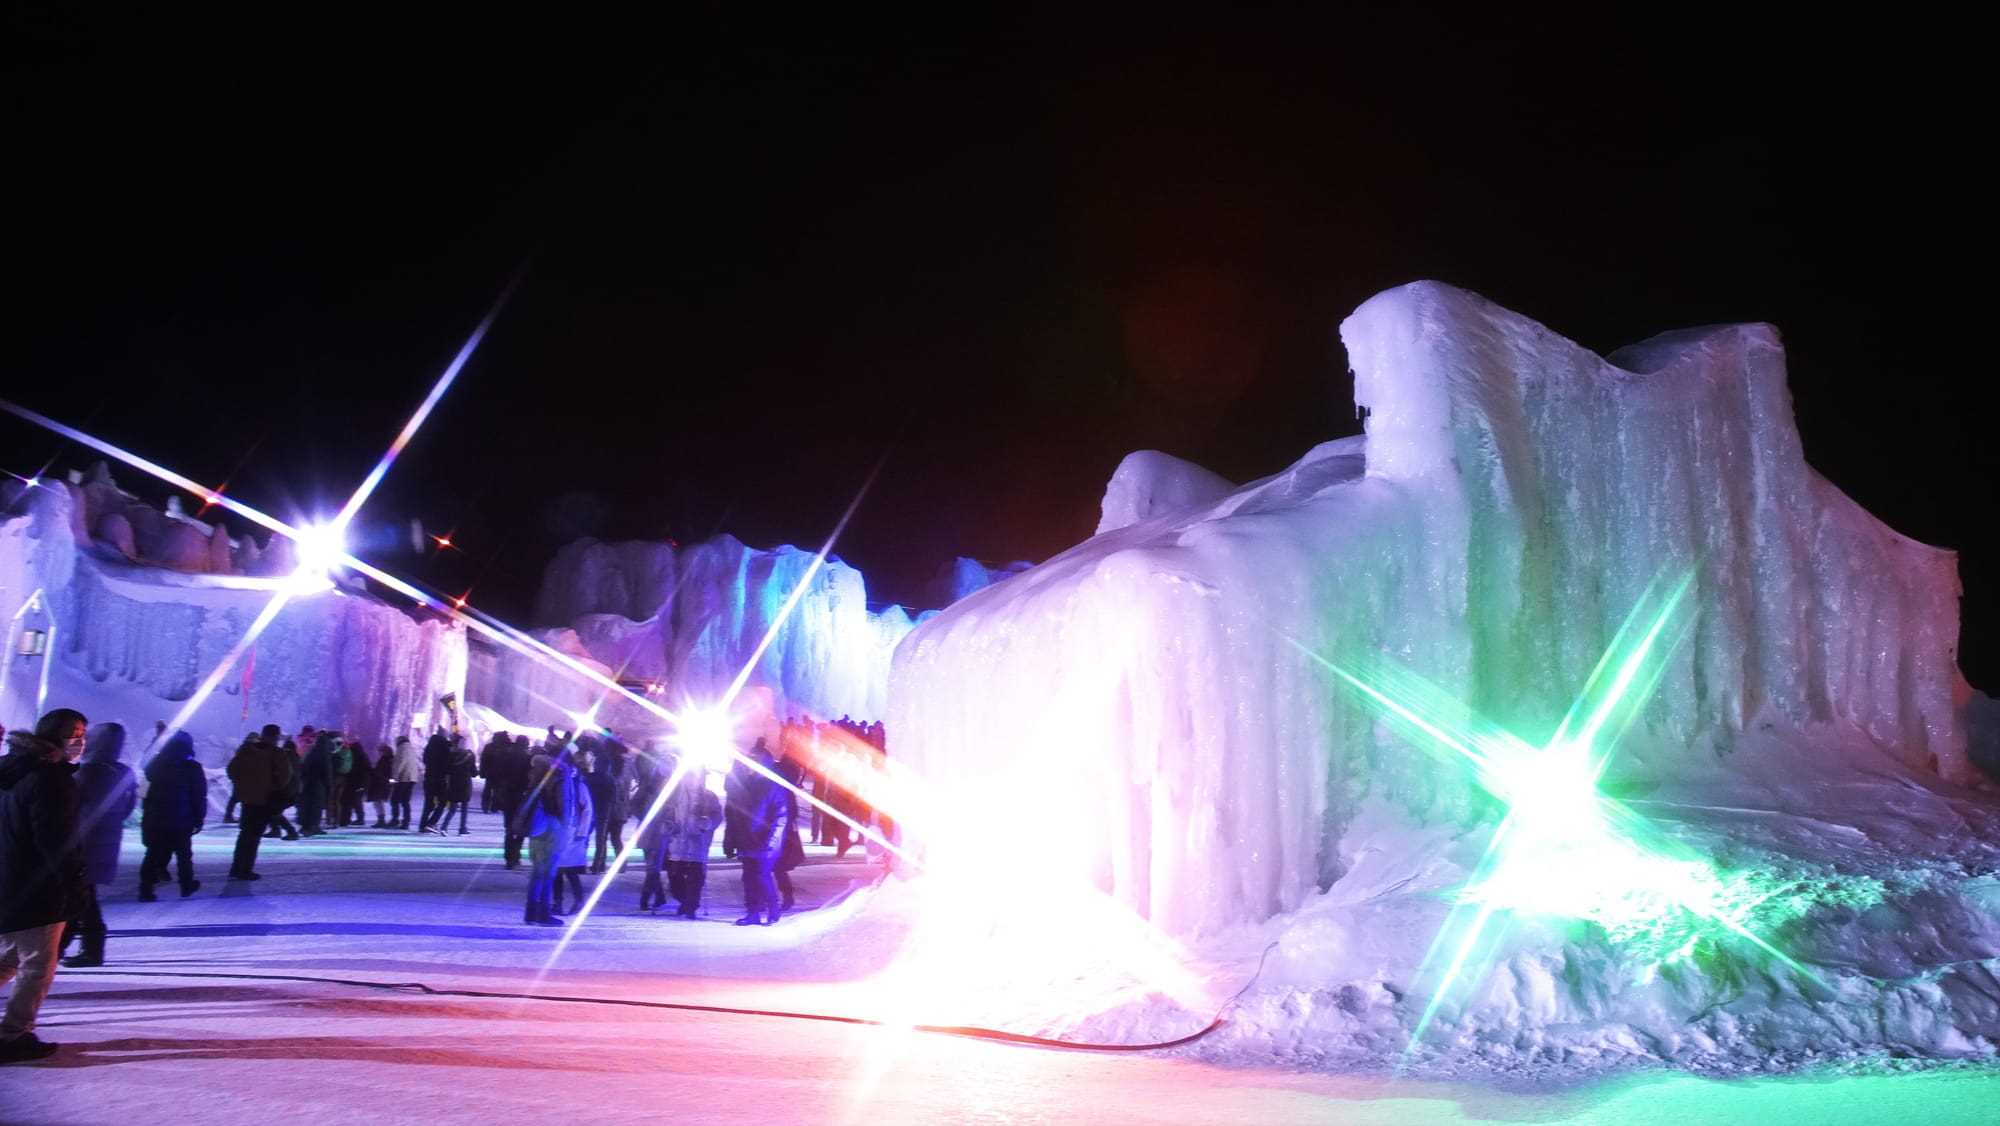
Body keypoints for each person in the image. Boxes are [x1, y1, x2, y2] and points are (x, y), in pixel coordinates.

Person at [0, 708, 88, 1063]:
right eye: (76, 733)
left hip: (7, 880)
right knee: (37, 966)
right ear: (56, 736)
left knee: (7, 958)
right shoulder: (50, 779)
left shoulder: (10, 769)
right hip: (38, 887)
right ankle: (12, 1035)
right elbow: (56, 840)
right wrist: (74, 882)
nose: (81, 742)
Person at [63, 723, 137, 967]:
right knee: (82, 893)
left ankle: (85, 948)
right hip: (106, 842)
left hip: (82, 841)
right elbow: (127, 808)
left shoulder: (86, 772)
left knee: (79, 895)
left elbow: (66, 806)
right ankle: (75, 946)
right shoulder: (123, 772)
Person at [138, 731, 206, 901]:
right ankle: (186, 885)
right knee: (184, 855)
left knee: (152, 854)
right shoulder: (192, 768)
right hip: (182, 818)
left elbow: (145, 792)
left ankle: (145, 889)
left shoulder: (156, 765)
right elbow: (198, 795)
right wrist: (199, 818)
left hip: (156, 817)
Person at [734, 740, 791, 926]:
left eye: (755, 760)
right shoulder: (746, 783)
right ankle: (753, 912)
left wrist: (772, 840)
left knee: (762, 876)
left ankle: (773, 909)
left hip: (765, 841)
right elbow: (737, 813)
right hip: (747, 839)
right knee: (749, 878)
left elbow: (781, 815)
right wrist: (733, 837)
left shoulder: (772, 786)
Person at [226, 724, 293, 879]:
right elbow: (285, 777)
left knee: (244, 835)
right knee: (254, 837)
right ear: (275, 737)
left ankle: (236, 868)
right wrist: (272, 787)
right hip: (265, 800)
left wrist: (243, 786)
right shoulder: (276, 754)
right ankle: (245, 870)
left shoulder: (246, 751)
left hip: (247, 799)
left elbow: (231, 770)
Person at [662, 763, 723, 919]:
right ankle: (686, 902)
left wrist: (708, 823)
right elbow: (667, 815)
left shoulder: (709, 797)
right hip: (678, 846)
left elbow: (717, 816)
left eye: (697, 776)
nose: (693, 779)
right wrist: (669, 825)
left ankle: (691, 906)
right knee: (675, 881)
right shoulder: (675, 796)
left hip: (698, 845)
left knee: (696, 880)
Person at [516, 754, 563, 926]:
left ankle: (531, 913)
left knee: (537, 874)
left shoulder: (532, 783)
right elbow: (561, 809)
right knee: (547, 875)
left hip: (535, 832)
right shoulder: (552, 784)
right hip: (550, 832)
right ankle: (544, 913)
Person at [552, 747, 595, 916]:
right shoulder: (560, 781)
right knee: (558, 869)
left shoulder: (578, 784)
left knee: (566, 869)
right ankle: (559, 902)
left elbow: (587, 809)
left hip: (572, 832)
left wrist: (582, 832)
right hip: (559, 831)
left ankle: (576, 900)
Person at [771, 754, 807, 914]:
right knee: (777, 867)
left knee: (775, 866)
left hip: (779, 829)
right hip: (783, 829)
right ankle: (784, 897)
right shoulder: (789, 786)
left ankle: (782, 897)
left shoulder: (781, 784)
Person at [298, 732, 335, 836]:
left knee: (307, 806)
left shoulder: (311, 752)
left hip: (307, 783)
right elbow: (327, 770)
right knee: (316, 806)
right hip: (319, 785)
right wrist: (329, 784)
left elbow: (303, 767)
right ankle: (313, 826)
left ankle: (305, 826)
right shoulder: (324, 754)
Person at [440, 735, 475, 835]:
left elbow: (446, 769)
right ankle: (462, 828)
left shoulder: (450, 754)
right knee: (464, 807)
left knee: (453, 808)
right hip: (465, 783)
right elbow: (473, 772)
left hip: (454, 782)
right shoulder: (469, 755)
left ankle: (444, 827)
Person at [418, 732, 451, 831]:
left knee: (428, 803)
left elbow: (424, 761)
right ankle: (432, 823)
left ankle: (422, 825)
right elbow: (447, 765)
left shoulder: (428, 750)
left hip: (428, 779)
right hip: (440, 780)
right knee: (442, 803)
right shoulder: (444, 750)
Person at [390, 735, 418, 829]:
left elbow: (399, 764)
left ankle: (395, 820)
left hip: (403, 778)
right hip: (412, 778)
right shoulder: (411, 749)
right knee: (405, 801)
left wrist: (393, 779)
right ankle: (406, 821)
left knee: (394, 800)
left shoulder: (402, 749)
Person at [367, 744, 394, 828]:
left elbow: (381, 772)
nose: (379, 753)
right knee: (378, 802)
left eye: (380, 751)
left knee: (378, 802)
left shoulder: (385, 760)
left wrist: (374, 772)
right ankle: (381, 819)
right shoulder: (389, 759)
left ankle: (381, 820)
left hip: (380, 783)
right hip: (382, 783)